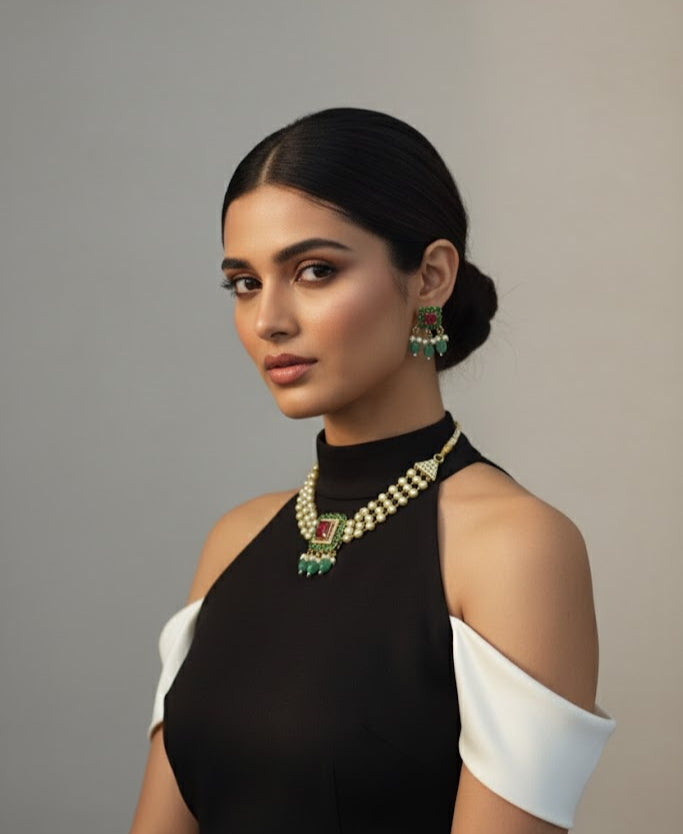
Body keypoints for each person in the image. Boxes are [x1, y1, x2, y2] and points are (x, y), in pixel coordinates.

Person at [128, 107, 615, 834]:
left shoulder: (514, 549)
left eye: (314, 271)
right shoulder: (235, 540)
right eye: (244, 282)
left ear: (430, 277)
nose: (268, 320)